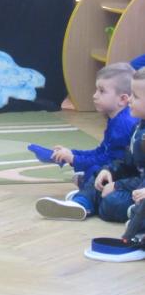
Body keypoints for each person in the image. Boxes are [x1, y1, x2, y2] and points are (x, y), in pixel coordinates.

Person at [36, 68, 145, 222]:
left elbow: (129, 170)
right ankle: (83, 201)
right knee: (99, 174)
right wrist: (109, 170)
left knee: (111, 201)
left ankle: (88, 200)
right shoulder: (137, 127)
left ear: (121, 99)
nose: (130, 100)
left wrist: (117, 185)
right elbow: (122, 160)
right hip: (132, 182)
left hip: (137, 186)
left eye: (136, 96)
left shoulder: (125, 124)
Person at [30, 63, 137, 185]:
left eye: (102, 91)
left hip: (131, 177)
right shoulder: (116, 119)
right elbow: (101, 151)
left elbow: (111, 162)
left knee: (93, 172)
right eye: (96, 90)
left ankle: (87, 189)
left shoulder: (123, 124)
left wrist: (73, 159)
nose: (95, 96)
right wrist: (71, 154)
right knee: (92, 171)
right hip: (119, 170)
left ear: (122, 99)